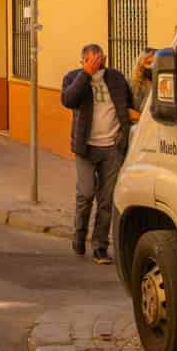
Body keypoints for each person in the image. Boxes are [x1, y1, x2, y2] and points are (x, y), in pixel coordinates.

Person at [61, 43, 133, 266]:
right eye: (89, 60)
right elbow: (68, 100)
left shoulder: (116, 79)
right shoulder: (73, 77)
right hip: (86, 147)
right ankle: (79, 235)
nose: (95, 63)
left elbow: (129, 103)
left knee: (106, 199)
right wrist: (86, 75)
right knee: (86, 194)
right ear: (82, 61)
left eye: (98, 59)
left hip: (112, 147)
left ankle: (100, 247)